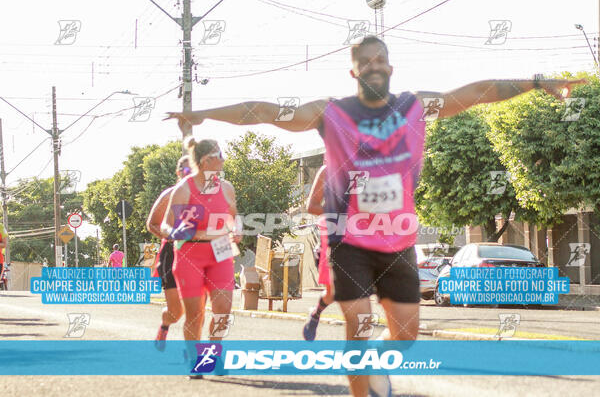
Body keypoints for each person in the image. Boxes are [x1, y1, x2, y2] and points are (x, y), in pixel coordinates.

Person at [165, 35, 585, 396]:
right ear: (353, 72)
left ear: (390, 66)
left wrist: (535, 82)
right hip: (348, 241)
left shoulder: (415, 106)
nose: (373, 66)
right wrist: (208, 113)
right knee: (359, 326)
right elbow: (270, 111)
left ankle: (379, 365)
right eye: (363, 62)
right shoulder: (331, 113)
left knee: (404, 336)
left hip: (398, 239)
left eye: (379, 60)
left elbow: (477, 92)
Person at [160, 137, 241, 376]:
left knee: (223, 309)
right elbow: (166, 224)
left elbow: (234, 216)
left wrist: (237, 229)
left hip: (221, 252)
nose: (224, 160)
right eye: (220, 155)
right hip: (189, 254)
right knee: (195, 313)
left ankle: (213, 355)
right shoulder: (185, 188)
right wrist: (174, 232)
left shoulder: (226, 188)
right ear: (207, 160)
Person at [146, 155, 191, 351]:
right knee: (176, 311)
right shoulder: (170, 194)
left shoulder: (206, 195)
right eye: (186, 171)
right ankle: (164, 326)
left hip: (198, 254)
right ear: (178, 173)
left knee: (195, 309)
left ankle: (193, 351)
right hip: (171, 253)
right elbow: (152, 223)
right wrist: (173, 236)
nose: (190, 176)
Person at [302, 165, 334, 341]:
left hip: (362, 236)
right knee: (333, 293)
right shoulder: (327, 171)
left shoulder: (370, 169)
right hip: (333, 235)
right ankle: (316, 314)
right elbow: (312, 206)